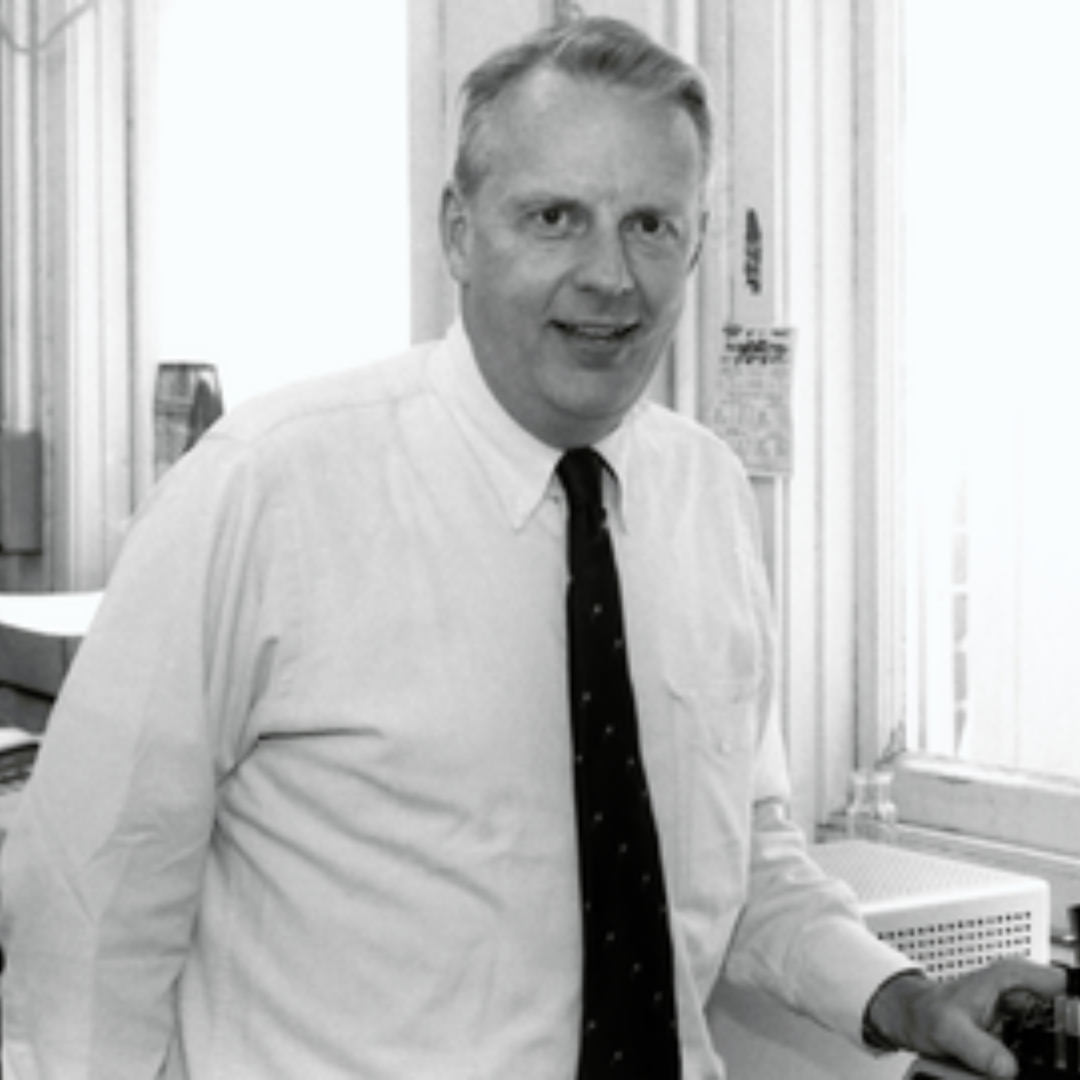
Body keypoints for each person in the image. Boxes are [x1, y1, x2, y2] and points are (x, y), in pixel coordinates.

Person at [0, 15, 1063, 1080]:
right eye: (555, 217)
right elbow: (89, 919)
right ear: (459, 231)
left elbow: (738, 858)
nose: (610, 275)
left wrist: (905, 999)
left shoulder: (705, 498)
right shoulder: (264, 489)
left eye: (652, 225)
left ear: (696, 247)